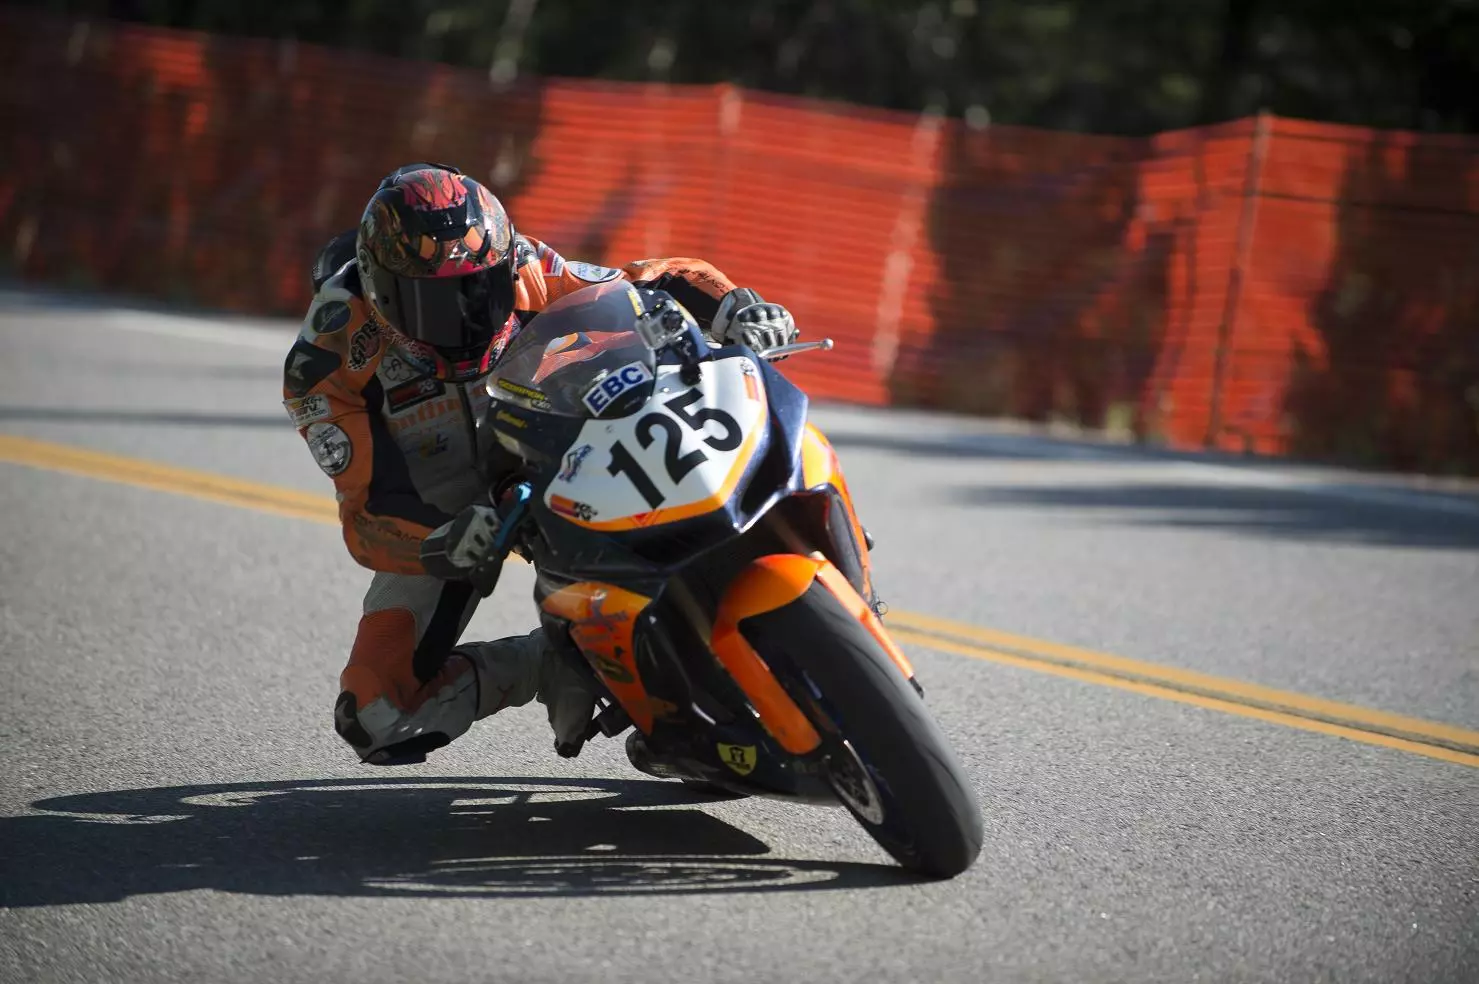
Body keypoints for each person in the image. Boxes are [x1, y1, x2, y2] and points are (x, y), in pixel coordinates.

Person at [283, 162, 798, 766]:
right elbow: (367, 511)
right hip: (454, 516)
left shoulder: (522, 260)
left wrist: (733, 306)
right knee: (376, 716)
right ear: (381, 292)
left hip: (562, 446)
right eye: (435, 303)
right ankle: (554, 661)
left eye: (483, 287)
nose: (469, 317)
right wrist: (439, 542)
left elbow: (641, 284)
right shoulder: (325, 364)